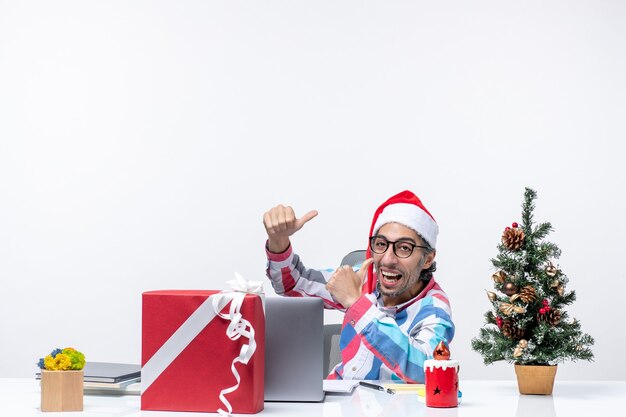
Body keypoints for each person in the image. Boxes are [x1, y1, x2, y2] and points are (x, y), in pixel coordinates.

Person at [263, 190, 454, 382]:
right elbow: (292, 284)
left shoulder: (434, 308)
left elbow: (427, 371)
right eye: (381, 244)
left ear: (428, 259)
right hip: (339, 401)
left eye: (404, 247)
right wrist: (278, 241)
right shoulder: (363, 280)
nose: (387, 259)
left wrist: (357, 305)